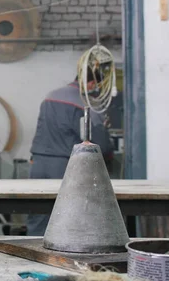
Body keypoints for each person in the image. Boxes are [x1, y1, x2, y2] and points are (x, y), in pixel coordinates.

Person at [26, 70, 115, 236]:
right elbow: (100, 142)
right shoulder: (85, 102)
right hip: (63, 166)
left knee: (38, 214)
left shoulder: (50, 96)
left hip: (38, 163)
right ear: (91, 84)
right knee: (67, 217)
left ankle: (31, 254)